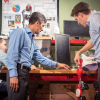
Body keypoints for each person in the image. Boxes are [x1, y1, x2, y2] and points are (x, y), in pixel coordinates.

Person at [6, 12, 70, 100]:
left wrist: (57, 64)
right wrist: (13, 76)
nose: (43, 29)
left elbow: (40, 58)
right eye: (42, 25)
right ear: (37, 23)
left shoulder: (31, 40)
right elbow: (11, 55)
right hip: (17, 72)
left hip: (24, 73)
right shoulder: (20, 32)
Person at [71, 2, 100, 100]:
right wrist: (79, 52)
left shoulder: (95, 19)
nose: (78, 22)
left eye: (77, 19)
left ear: (80, 14)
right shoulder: (94, 21)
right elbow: (93, 41)